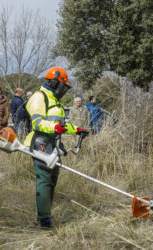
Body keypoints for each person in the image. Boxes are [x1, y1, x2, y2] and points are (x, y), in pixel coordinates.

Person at [24, 67, 89, 228]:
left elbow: (61, 125)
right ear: (54, 82)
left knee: (52, 179)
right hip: (40, 142)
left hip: (54, 144)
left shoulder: (54, 100)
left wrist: (76, 130)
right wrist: (54, 128)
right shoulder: (39, 97)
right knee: (45, 179)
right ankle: (44, 220)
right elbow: (37, 123)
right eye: (62, 86)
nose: (63, 90)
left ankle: (47, 214)